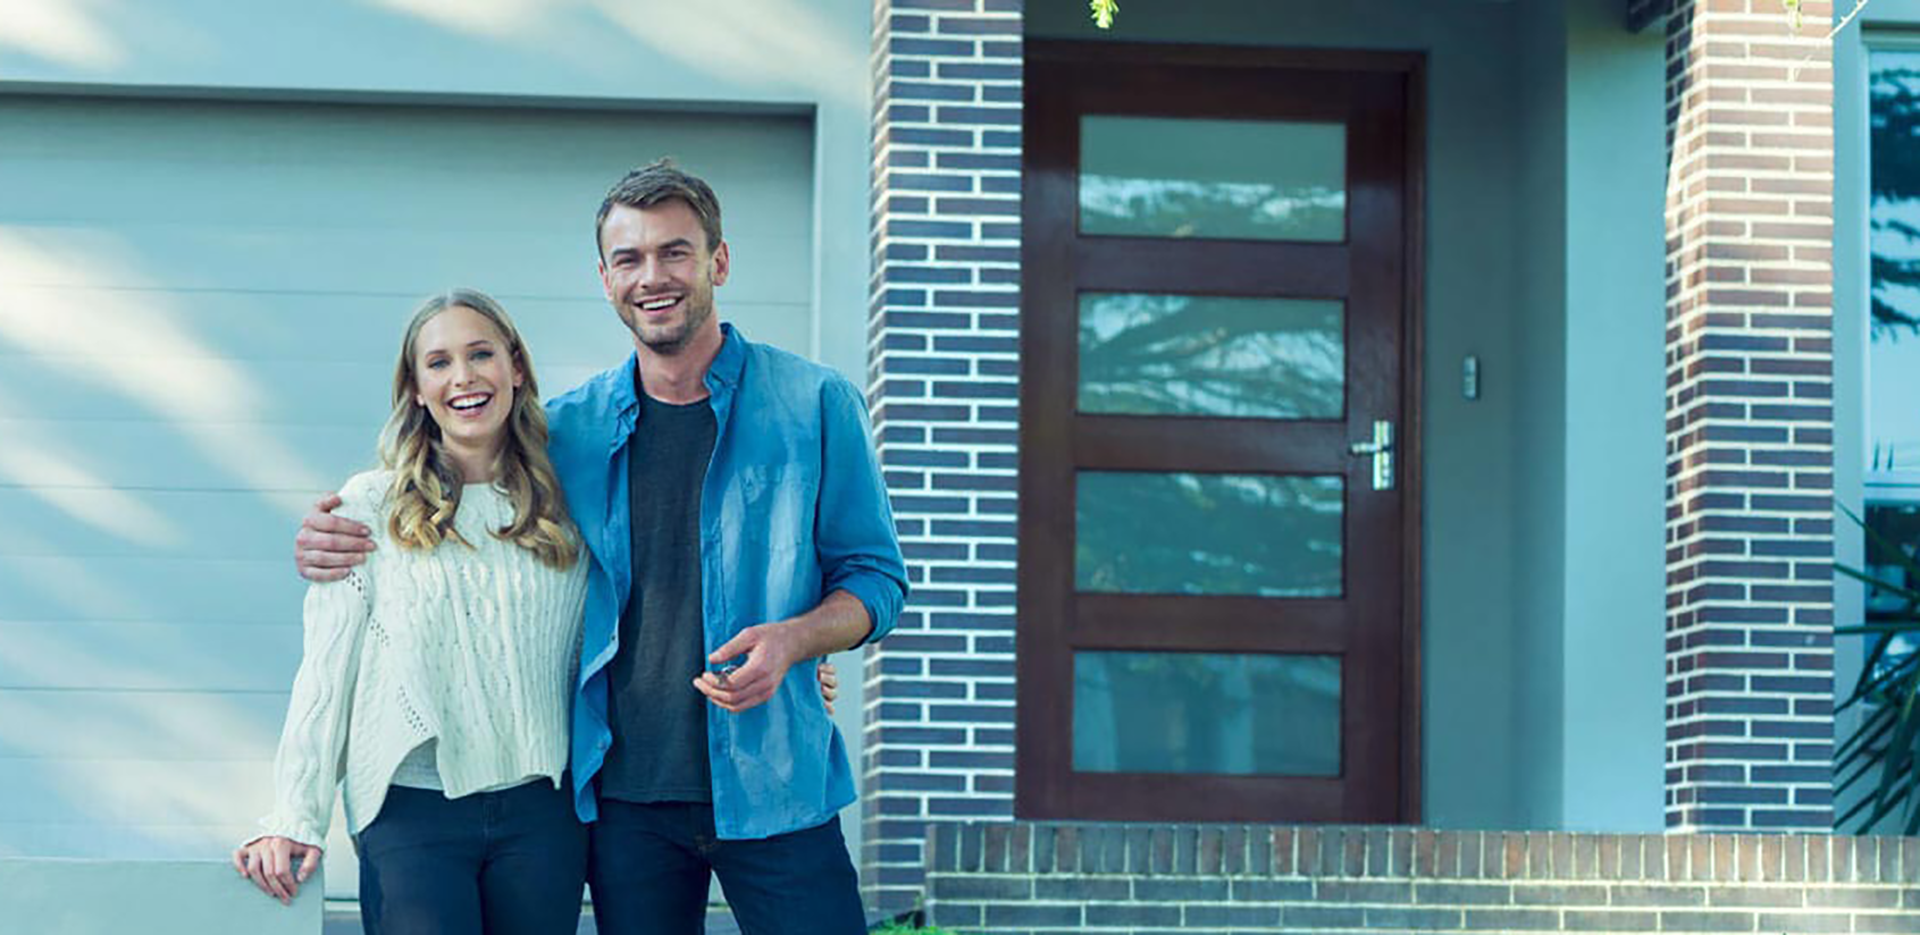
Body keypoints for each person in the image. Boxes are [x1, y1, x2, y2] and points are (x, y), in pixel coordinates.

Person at [296, 160, 906, 935]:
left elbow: (877, 579)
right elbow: (466, 492)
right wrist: (348, 523)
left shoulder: (817, 404)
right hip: (621, 806)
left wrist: (797, 641)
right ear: (606, 278)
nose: (653, 277)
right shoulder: (569, 431)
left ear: (718, 260)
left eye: (675, 252)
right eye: (629, 259)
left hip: (776, 780)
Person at [239, 291, 593, 935]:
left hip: (544, 811)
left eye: (481, 353)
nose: (463, 376)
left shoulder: (567, 503)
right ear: (418, 390)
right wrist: (295, 814)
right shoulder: (369, 505)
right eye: (439, 362)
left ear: (516, 368)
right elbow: (326, 672)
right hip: (411, 811)